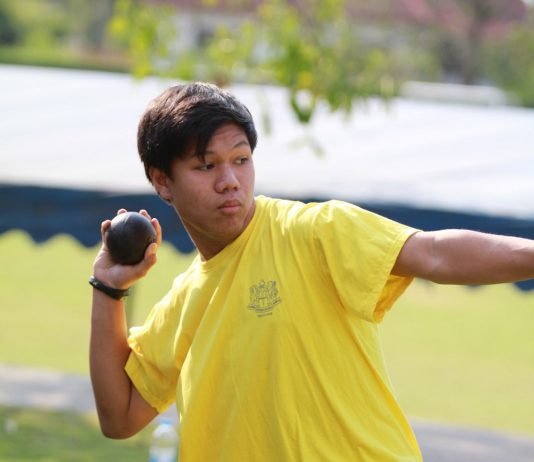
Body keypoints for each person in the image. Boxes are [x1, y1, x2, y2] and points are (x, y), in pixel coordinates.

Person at [89, 82, 534, 461]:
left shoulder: (314, 231)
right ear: (162, 180)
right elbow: (119, 417)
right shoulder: (184, 303)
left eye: (241, 159)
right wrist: (107, 289)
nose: (230, 181)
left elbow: (435, 253)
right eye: (206, 166)